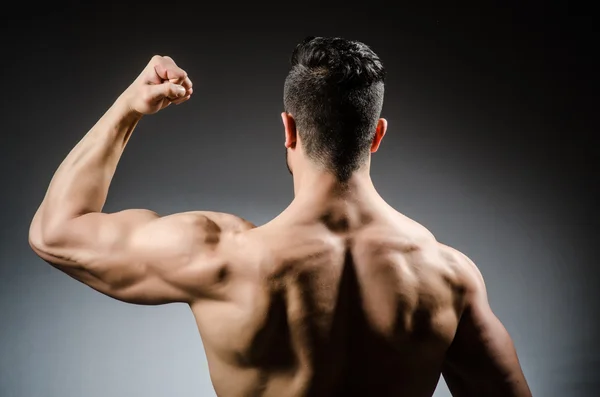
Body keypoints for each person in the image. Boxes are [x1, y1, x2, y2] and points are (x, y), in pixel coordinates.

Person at [28, 37, 532, 397]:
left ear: (288, 129)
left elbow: (55, 234)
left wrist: (128, 108)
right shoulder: (448, 277)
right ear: (376, 135)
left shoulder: (221, 256)